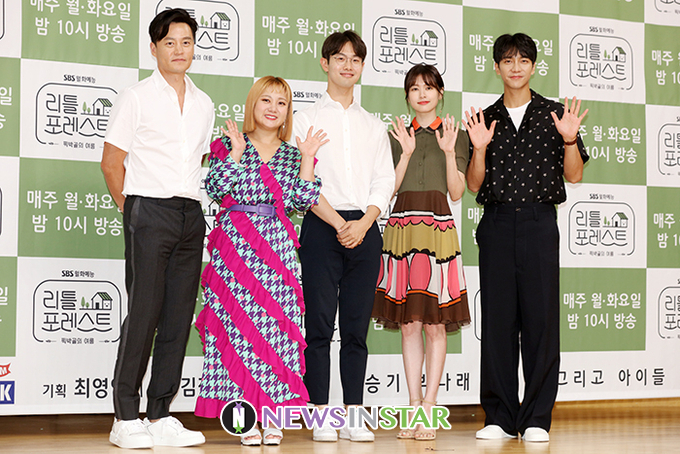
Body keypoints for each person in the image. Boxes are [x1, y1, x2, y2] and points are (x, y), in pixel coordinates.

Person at [464, 33, 588, 443]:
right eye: (507, 60)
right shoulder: (483, 119)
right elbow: (473, 185)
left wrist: (569, 139)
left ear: (533, 66)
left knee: (541, 322)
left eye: (523, 60)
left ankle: (536, 417)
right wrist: (478, 149)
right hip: (497, 223)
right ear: (496, 67)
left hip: (538, 223)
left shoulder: (556, 114)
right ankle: (499, 416)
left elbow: (574, 175)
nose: (515, 67)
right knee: (498, 322)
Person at [101, 8, 212, 450]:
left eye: (186, 42)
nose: (179, 50)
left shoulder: (203, 103)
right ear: (154, 48)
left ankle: (161, 413)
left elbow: (197, 163)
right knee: (144, 312)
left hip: (191, 214)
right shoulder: (136, 97)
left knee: (178, 317)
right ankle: (125, 416)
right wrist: (133, 210)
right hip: (148, 210)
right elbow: (112, 162)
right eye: (170, 43)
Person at [194, 76, 324, 446]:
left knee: (275, 332)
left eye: (281, 103)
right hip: (235, 247)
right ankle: (243, 418)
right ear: (253, 103)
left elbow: (303, 200)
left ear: (288, 111)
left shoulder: (292, 153)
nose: (273, 108)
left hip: (276, 250)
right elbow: (216, 189)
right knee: (236, 331)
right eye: (266, 100)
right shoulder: (228, 143)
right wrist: (236, 153)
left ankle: (274, 415)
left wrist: (308, 159)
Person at [293, 30, 395, 443]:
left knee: (356, 328)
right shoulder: (304, 119)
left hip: (366, 229)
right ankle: (320, 413)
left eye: (355, 59)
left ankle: (354, 414)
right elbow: (302, 181)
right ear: (325, 63)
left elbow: (384, 180)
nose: (348, 65)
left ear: (362, 67)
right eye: (340, 58)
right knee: (318, 326)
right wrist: (338, 224)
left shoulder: (373, 125)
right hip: (322, 226)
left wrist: (365, 222)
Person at [372, 63, 471, 441]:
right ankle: (413, 405)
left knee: (435, 324)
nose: (422, 94)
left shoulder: (455, 134)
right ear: (407, 96)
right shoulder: (396, 135)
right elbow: (389, 190)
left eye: (429, 87)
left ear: (440, 93)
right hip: (401, 229)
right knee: (410, 324)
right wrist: (405, 152)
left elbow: (457, 192)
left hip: (438, 230)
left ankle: (430, 408)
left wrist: (447, 152)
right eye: (414, 88)